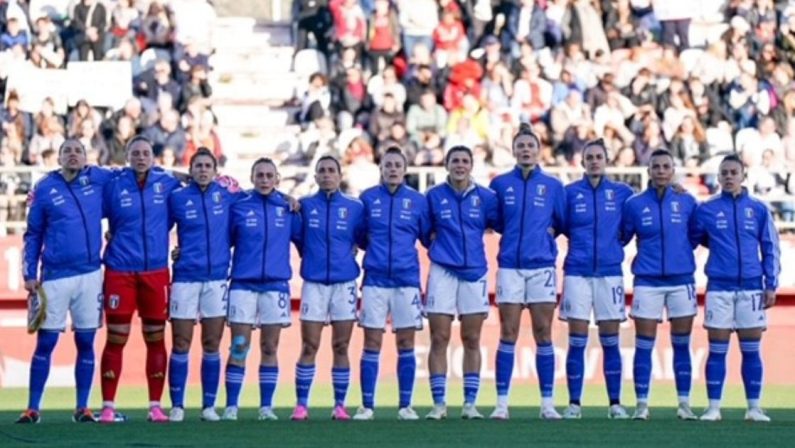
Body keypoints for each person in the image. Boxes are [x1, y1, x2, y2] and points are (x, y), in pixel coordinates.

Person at [17, 139, 115, 423]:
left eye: (78, 151)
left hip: (90, 275)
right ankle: (33, 408)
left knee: (86, 341)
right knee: (46, 343)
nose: (73, 155)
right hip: (55, 278)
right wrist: (29, 274)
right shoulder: (44, 188)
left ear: (87, 157)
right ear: (58, 157)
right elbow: (33, 234)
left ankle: (82, 407)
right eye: (67, 151)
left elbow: (130, 186)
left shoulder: (98, 179)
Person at [99, 136, 182, 423]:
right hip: (120, 271)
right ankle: (108, 407)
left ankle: (155, 406)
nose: (141, 157)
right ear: (127, 156)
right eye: (135, 153)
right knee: (116, 337)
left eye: (146, 152)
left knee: (156, 339)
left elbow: (190, 208)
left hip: (156, 272)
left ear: (153, 156)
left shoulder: (168, 184)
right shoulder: (112, 184)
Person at [487, 124, 567, 420]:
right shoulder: (500, 184)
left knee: (543, 333)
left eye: (530, 146)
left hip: (542, 267)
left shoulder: (553, 185)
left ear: (538, 150)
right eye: (520, 145)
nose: (525, 150)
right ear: (514, 149)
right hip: (509, 266)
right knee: (507, 333)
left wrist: (545, 234)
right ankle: (502, 404)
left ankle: (547, 404)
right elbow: (495, 221)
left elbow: (561, 221)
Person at [692, 154, 780, 422]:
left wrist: (771, 284)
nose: (729, 177)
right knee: (717, 348)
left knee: (751, 350)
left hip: (752, 288)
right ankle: (713, 408)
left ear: (743, 176)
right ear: (717, 178)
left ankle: (754, 408)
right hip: (719, 287)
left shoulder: (759, 210)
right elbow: (695, 239)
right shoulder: (706, 210)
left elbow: (769, 248)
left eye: (733, 172)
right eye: (724, 173)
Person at [353, 147, 431, 421]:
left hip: (406, 280)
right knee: (372, 342)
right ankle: (367, 406)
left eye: (398, 165)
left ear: (405, 169)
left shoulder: (418, 201)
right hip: (374, 279)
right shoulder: (368, 198)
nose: (393, 169)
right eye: (388, 165)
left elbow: (427, 237)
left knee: (406, 342)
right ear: (381, 169)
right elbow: (360, 237)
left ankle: (405, 406)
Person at [221, 158, 302, 422]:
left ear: (277, 178)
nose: (265, 179)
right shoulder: (239, 207)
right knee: (239, 346)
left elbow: (305, 242)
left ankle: (266, 407)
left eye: (269, 175)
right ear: (252, 178)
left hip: (276, 287)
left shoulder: (288, 208)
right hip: (243, 285)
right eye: (260, 175)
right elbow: (222, 241)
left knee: (270, 347)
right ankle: (232, 406)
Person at [559, 139, 634, 419]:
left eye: (598, 156)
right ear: (581, 162)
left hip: (610, 273)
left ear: (606, 160)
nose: (593, 161)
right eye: (588, 156)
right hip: (577, 272)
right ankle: (574, 404)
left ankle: (615, 403)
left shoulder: (622, 193)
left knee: (610, 340)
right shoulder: (569, 194)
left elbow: (627, 230)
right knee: (576, 340)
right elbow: (562, 227)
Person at [621, 148, 698, 421]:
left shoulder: (687, 202)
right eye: (656, 167)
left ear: (673, 169)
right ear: (649, 171)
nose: (661, 171)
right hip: (647, 281)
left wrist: (679, 255)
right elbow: (622, 236)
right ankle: (642, 405)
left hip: (681, 281)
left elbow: (696, 235)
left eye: (666, 166)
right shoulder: (634, 204)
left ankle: (684, 404)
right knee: (644, 344)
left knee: (681, 344)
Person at [166, 149, 241, 422]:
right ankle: (177, 406)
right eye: (198, 166)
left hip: (217, 278)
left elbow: (259, 199)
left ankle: (208, 406)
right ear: (191, 169)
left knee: (212, 343)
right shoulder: (177, 198)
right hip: (185, 278)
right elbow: (153, 225)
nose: (203, 170)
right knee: (181, 342)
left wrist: (289, 199)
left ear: (215, 170)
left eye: (208, 166)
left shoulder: (228, 196)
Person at [424, 145, 498, 420]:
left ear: (471, 165)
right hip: (443, 270)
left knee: (472, 338)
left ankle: (470, 404)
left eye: (465, 161)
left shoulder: (486, 197)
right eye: (455, 160)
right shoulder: (432, 197)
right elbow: (424, 231)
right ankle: (439, 404)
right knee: (439, 337)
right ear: (446, 164)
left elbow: (499, 222)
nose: (460, 165)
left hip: (475, 272)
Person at [291, 156, 366, 421]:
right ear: (315, 176)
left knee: (341, 345)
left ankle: (340, 405)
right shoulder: (305, 206)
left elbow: (364, 238)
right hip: (314, 284)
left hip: (345, 283)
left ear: (339, 174)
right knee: (309, 345)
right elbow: (298, 240)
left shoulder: (355, 207)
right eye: (321, 171)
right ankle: (301, 405)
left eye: (331, 171)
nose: (326, 175)